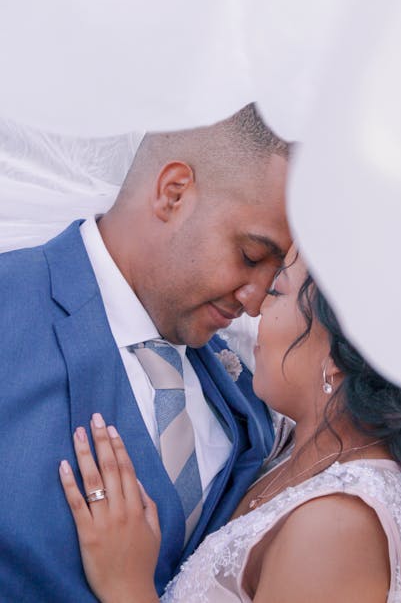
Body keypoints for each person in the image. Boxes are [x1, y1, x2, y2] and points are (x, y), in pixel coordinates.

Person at [0, 104, 293, 602]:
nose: (258, 299)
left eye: (277, 272)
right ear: (173, 192)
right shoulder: (11, 306)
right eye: (250, 255)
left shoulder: (245, 396)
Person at [60, 248, 401, 602]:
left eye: (277, 290)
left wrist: (127, 587)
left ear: (341, 354)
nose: (256, 307)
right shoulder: (305, 452)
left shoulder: (336, 529)